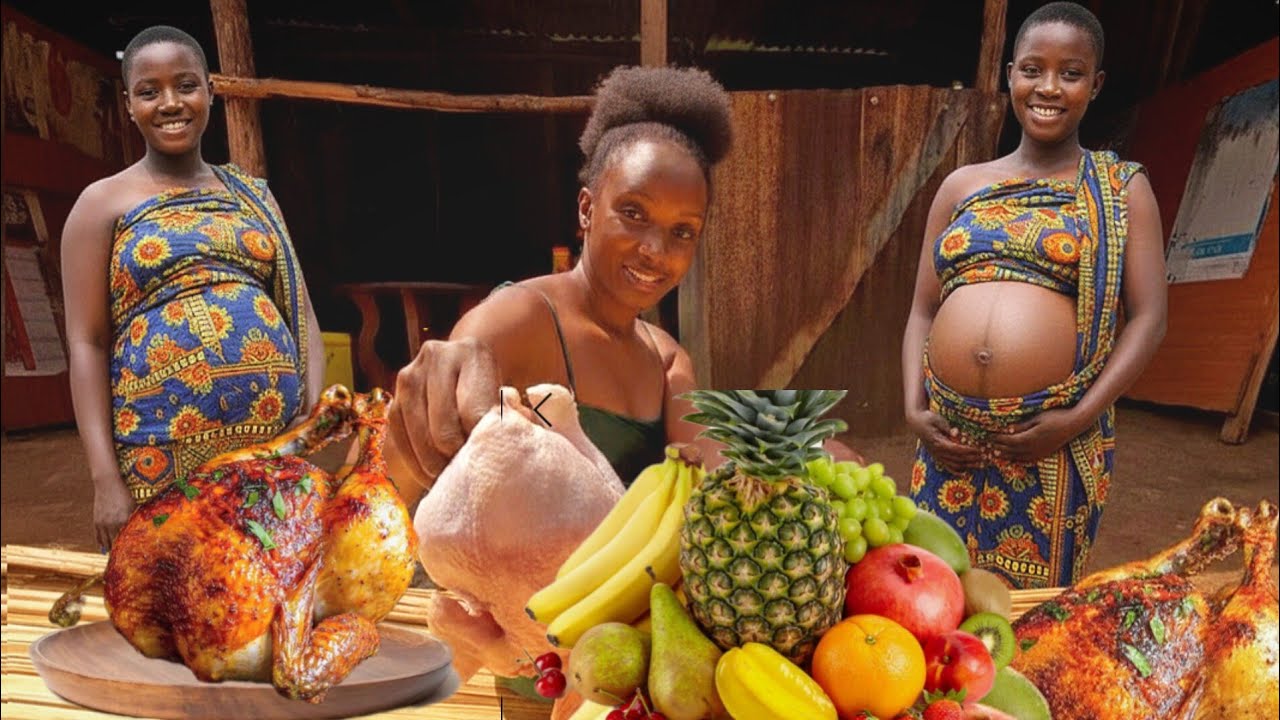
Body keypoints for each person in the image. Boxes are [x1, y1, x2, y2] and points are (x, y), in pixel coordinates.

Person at [902, 2, 1167, 589]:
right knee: (929, 602)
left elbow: (1148, 319)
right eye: (1032, 69)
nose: (1048, 87)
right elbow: (923, 309)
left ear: (1094, 85)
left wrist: (1075, 418)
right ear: (1009, 75)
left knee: (1033, 617)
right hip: (949, 439)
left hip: (1049, 442)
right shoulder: (962, 185)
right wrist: (914, 409)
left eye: (1070, 73)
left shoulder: (1120, 190)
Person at [385, 66, 736, 504]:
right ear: (587, 209)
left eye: (682, 231)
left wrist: (801, 457)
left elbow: (708, 473)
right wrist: (431, 401)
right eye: (633, 212)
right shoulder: (522, 317)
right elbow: (413, 467)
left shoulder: (666, 360)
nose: (655, 250)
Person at [61, 25, 325, 552]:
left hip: (269, 457)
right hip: (158, 457)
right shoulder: (100, 203)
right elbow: (86, 342)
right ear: (129, 103)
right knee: (179, 606)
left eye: (185, 85)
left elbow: (300, 309)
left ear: (211, 89)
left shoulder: (254, 196)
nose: (170, 103)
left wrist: (310, 416)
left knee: (262, 603)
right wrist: (104, 479)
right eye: (149, 91)